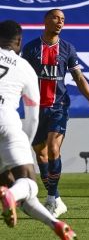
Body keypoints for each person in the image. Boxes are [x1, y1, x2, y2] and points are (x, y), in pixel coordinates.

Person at [0, 20, 77, 239]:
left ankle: (55, 224)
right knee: (28, 185)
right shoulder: (24, 67)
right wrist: (25, 143)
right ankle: (11, 195)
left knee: (13, 186)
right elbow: (32, 117)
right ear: (19, 42)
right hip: (7, 124)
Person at [22, 9, 89, 217]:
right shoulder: (30, 48)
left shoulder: (67, 49)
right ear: (46, 20)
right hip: (35, 109)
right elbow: (21, 77)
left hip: (59, 107)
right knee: (40, 153)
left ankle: (50, 200)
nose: (60, 22)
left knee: (54, 150)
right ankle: (56, 198)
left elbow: (78, 77)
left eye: (63, 19)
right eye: (56, 18)